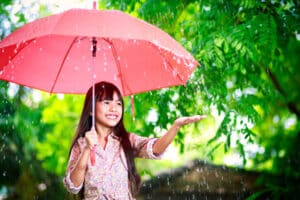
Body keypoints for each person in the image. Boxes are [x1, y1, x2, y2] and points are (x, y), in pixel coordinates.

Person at [63, 81, 206, 200]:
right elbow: (73, 186)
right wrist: (87, 149)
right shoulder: (81, 145)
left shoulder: (126, 140)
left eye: (119, 103)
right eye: (107, 102)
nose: (114, 108)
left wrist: (176, 126)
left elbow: (155, 148)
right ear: (91, 110)